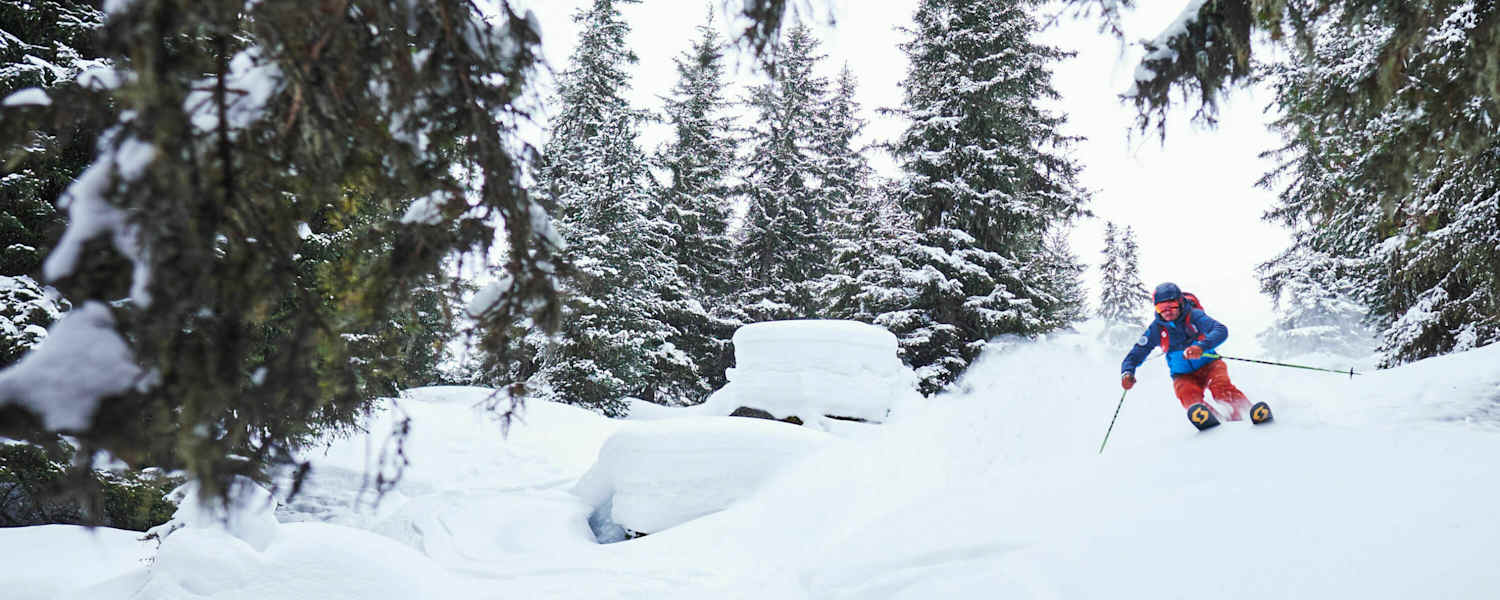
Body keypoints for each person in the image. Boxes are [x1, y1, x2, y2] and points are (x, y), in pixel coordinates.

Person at [1119, 282, 1253, 421]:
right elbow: (1135, 354)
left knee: (1221, 390)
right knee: (1188, 396)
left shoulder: (1194, 316)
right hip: (1183, 375)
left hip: (1210, 365)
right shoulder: (1156, 329)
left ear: (1180, 302)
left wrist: (1201, 347)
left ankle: (1248, 412)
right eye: (1161, 308)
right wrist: (1127, 372)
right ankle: (1213, 421)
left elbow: (1220, 330)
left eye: (1171, 306)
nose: (1167, 311)